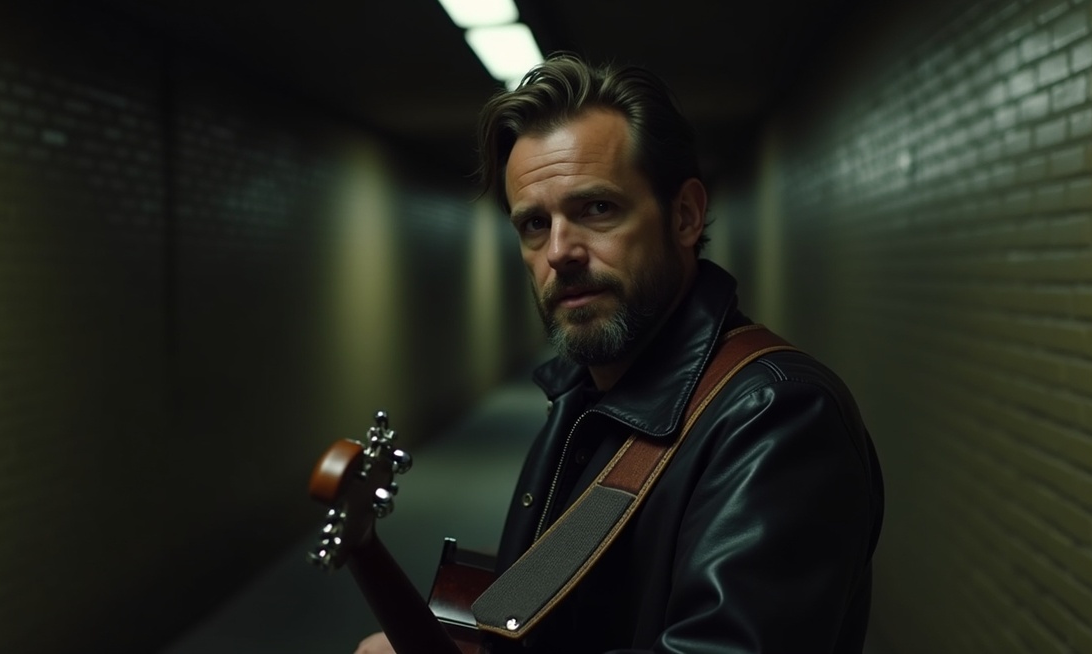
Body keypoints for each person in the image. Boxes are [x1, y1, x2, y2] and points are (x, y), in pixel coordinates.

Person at [357, 54, 884, 654]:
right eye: (534, 224)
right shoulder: (582, 395)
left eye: (596, 209)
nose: (560, 251)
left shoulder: (778, 416)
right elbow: (542, 613)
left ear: (684, 216)